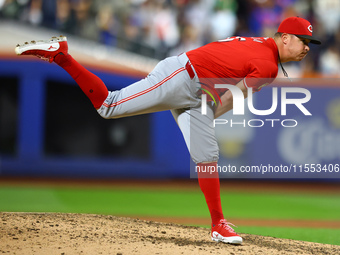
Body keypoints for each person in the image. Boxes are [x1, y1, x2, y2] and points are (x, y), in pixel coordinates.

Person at [15, 16, 321, 244]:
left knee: (207, 155)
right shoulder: (267, 64)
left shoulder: (257, 45)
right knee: (108, 106)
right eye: (303, 40)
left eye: (310, 43)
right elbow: (233, 97)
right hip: (181, 78)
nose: (307, 47)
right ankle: (62, 55)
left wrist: (204, 117)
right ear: (284, 37)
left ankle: (218, 224)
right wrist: (208, 114)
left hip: (197, 89)